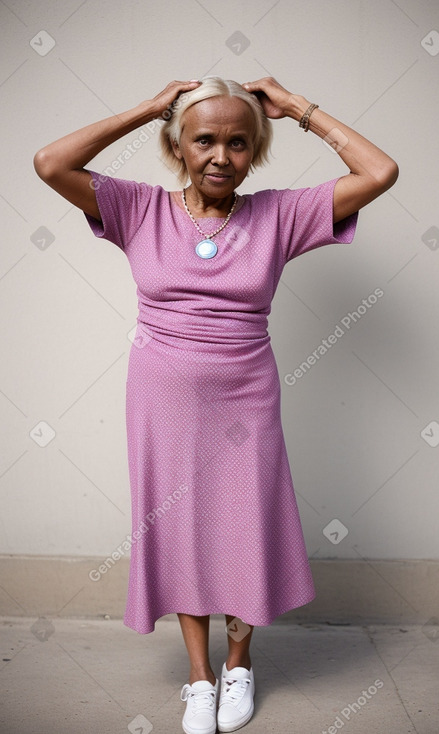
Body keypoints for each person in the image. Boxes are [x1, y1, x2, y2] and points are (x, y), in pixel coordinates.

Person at [33, 75, 398, 734]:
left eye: (237, 143)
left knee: (241, 529)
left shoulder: (278, 215)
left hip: (245, 393)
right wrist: (148, 107)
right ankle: (197, 678)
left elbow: (380, 170)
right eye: (204, 140)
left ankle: (238, 665)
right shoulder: (138, 208)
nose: (220, 157)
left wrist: (296, 109)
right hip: (160, 397)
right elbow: (49, 162)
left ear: (253, 152)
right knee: (179, 529)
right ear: (177, 145)